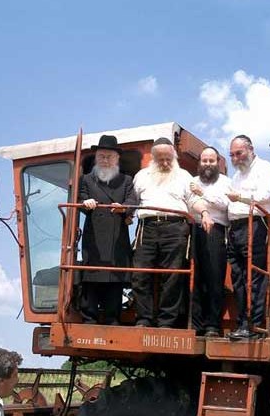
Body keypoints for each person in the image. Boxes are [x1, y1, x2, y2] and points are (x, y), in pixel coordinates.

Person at [132, 137, 213, 328]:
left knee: (173, 276)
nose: (165, 163)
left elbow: (194, 201)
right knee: (139, 274)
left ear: (174, 157)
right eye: (161, 159)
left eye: (169, 158)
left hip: (176, 228)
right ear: (153, 158)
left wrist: (205, 212)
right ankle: (143, 319)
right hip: (147, 228)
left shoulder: (184, 176)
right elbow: (132, 200)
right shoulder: (141, 176)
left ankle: (166, 322)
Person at [79, 134, 137, 325]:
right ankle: (89, 318)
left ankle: (113, 317)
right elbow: (79, 199)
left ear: (116, 159)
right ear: (96, 158)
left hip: (117, 236)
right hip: (94, 236)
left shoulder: (126, 180)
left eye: (109, 156)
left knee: (115, 278)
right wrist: (84, 203)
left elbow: (132, 201)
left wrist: (124, 208)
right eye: (101, 156)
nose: (105, 160)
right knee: (91, 276)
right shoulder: (86, 180)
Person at [225, 135, 270, 339]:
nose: (236, 158)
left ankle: (254, 326)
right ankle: (242, 324)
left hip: (256, 225)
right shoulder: (236, 176)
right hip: (236, 227)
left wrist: (239, 197)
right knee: (238, 277)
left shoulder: (265, 169)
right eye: (232, 155)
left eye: (239, 153)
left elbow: (267, 197)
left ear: (251, 149)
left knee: (255, 276)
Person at [189, 146, 231, 337]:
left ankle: (213, 325)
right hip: (193, 230)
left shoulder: (226, 182)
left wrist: (202, 194)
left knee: (214, 278)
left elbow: (224, 204)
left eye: (211, 161)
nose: (207, 164)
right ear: (200, 162)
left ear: (218, 163)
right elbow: (188, 202)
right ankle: (196, 325)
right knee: (194, 278)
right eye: (204, 161)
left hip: (216, 230)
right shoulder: (192, 181)